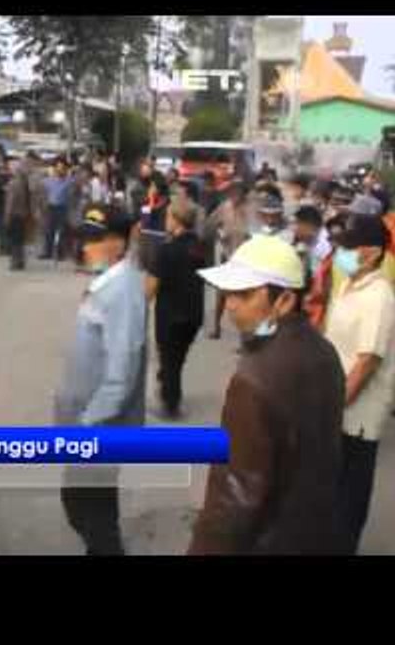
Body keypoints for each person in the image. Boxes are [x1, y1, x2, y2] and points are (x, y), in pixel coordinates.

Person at [190, 235, 347, 554]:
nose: (230, 304)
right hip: (313, 530)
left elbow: (234, 496)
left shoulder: (254, 379)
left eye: (244, 294)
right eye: (228, 292)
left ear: (285, 300)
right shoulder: (324, 351)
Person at [56, 203, 146, 555]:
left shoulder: (122, 291)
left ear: (119, 243)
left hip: (98, 428)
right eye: (84, 239)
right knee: (87, 508)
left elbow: (122, 374)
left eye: (95, 240)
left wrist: (88, 424)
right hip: (86, 422)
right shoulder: (108, 283)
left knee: (89, 512)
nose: (86, 247)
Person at [322, 215, 395, 554]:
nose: (343, 253)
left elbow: (367, 361)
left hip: (357, 416)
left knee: (349, 495)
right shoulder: (349, 286)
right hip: (336, 404)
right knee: (331, 489)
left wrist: (336, 406)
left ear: (373, 253)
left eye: (350, 247)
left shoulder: (380, 297)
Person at [145, 197, 208, 419]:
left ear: (176, 220)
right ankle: (168, 388)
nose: (166, 221)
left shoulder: (166, 250)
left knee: (169, 359)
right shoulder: (199, 247)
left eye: (168, 217)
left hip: (171, 314)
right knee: (178, 358)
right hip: (193, 311)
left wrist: (141, 305)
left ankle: (171, 404)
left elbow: (151, 287)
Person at [203, 179, 253, 339]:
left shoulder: (250, 210)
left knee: (245, 296)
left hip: (247, 259)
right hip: (228, 256)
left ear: (244, 194)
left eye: (238, 192)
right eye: (232, 192)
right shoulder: (225, 208)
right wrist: (219, 234)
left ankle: (245, 334)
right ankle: (216, 327)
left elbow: (258, 232)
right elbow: (209, 225)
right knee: (221, 293)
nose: (235, 195)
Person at [40, 159, 74, 261]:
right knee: (48, 230)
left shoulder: (69, 181)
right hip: (50, 208)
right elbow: (40, 188)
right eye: (58, 167)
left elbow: (73, 193)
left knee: (61, 231)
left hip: (62, 208)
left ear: (66, 169)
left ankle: (60, 253)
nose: (60, 170)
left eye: (62, 168)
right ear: (55, 168)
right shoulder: (48, 180)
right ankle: (48, 252)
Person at [4, 159, 33, 271]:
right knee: (20, 240)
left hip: (14, 215)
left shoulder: (13, 184)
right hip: (23, 215)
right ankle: (21, 261)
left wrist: (6, 216)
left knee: (14, 241)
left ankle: (15, 262)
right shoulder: (25, 184)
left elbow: (10, 202)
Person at [292, 205, 332, 284]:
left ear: (308, 224)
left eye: (297, 223)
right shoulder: (307, 239)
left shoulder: (326, 244)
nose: (295, 228)